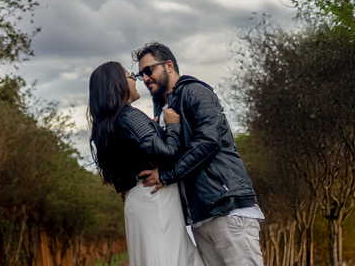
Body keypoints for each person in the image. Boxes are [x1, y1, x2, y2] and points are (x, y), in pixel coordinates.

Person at [133, 41, 265, 266]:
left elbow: (208, 142)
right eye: (140, 74)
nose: (145, 78)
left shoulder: (195, 91)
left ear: (169, 65)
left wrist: (167, 175)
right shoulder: (162, 109)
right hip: (200, 217)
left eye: (149, 70)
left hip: (226, 207)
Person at [88, 61, 202, 266]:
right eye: (129, 75)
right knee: (169, 258)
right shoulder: (129, 116)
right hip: (155, 197)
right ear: (117, 84)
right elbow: (167, 154)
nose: (135, 79)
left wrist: (156, 129)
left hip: (138, 199)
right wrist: (172, 126)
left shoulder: (107, 126)